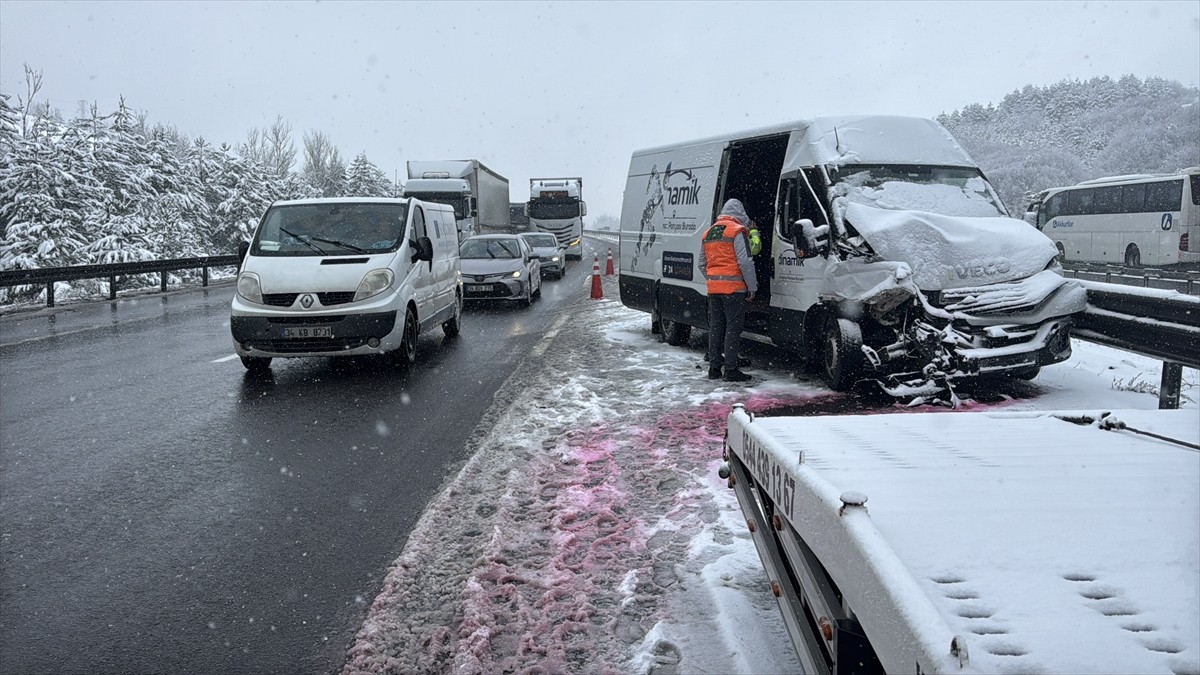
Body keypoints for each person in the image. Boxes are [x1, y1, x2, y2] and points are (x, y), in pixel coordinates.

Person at [698, 198, 757, 382]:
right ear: (739, 213)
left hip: (714, 290)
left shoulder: (708, 233)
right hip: (733, 289)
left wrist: (713, 279)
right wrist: (752, 287)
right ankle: (731, 369)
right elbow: (745, 262)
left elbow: (701, 263)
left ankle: (714, 368)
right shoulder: (736, 231)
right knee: (733, 328)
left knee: (716, 327)